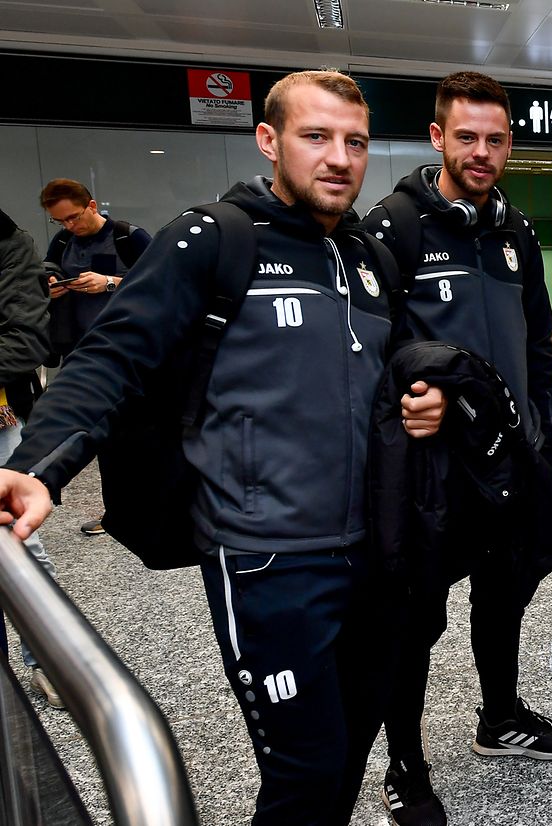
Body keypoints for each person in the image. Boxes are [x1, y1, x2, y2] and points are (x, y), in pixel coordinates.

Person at [0, 70, 446, 826]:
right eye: (316, 137)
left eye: (355, 142)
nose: (339, 158)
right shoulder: (215, 238)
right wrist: (35, 466)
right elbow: (112, 355)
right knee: (304, 768)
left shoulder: (369, 256)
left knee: (347, 749)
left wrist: (423, 393)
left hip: (374, 551)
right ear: (269, 141)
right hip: (266, 557)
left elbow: (395, 357)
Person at [361, 70, 552, 826]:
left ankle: (499, 716)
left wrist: (544, 428)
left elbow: (538, 340)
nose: (482, 152)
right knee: (414, 617)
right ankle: (405, 763)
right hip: (432, 469)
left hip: (509, 462)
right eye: (467, 137)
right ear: (437, 138)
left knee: (504, 592)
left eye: (496, 138)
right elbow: (371, 347)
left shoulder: (516, 231)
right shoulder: (396, 224)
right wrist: (414, 398)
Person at [39, 177, 152, 537]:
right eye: (61, 222)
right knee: (102, 434)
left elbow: (158, 283)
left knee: (141, 431)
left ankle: (152, 505)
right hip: (83, 349)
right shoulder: (62, 241)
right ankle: (115, 512)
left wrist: (110, 282)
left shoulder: (128, 237)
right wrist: (52, 284)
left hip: (129, 349)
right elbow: (46, 269)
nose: (70, 226)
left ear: (91, 205)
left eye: (73, 217)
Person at [0, 205, 62, 708]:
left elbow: (25, 341)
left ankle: (48, 658)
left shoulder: (6, 240)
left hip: (2, 412)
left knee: (17, 538)